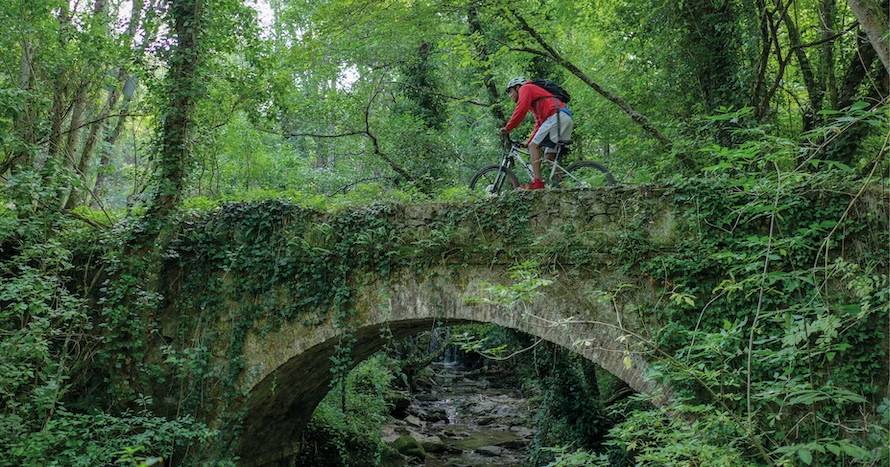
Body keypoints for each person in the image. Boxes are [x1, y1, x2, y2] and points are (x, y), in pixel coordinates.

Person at [500, 77, 574, 190]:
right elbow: (539, 123)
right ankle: (562, 186)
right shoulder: (535, 100)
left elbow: (521, 109)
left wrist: (508, 128)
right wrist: (528, 141)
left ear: (517, 87)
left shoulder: (526, 88)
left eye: (510, 91)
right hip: (564, 118)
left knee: (533, 146)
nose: (510, 95)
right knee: (549, 157)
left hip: (555, 116)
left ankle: (538, 183)